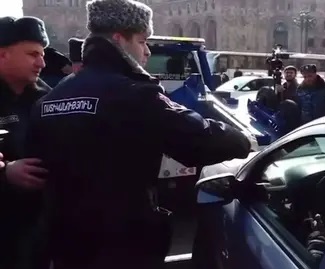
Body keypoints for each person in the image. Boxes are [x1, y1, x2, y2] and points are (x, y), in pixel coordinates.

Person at [25, 1, 251, 268]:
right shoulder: (132, 93)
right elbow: (198, 141)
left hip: (66, 245)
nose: (146, 51)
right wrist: (242, 138)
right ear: (120, 39)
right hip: (123, 244)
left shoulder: (51, 99)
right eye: (143, 41)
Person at [0, 15, 51, 269]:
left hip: (38, 231)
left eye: (42, 54)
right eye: (32, 54)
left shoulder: (46, 99)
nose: (41, 62)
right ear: (2, 55)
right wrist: (5, 173)